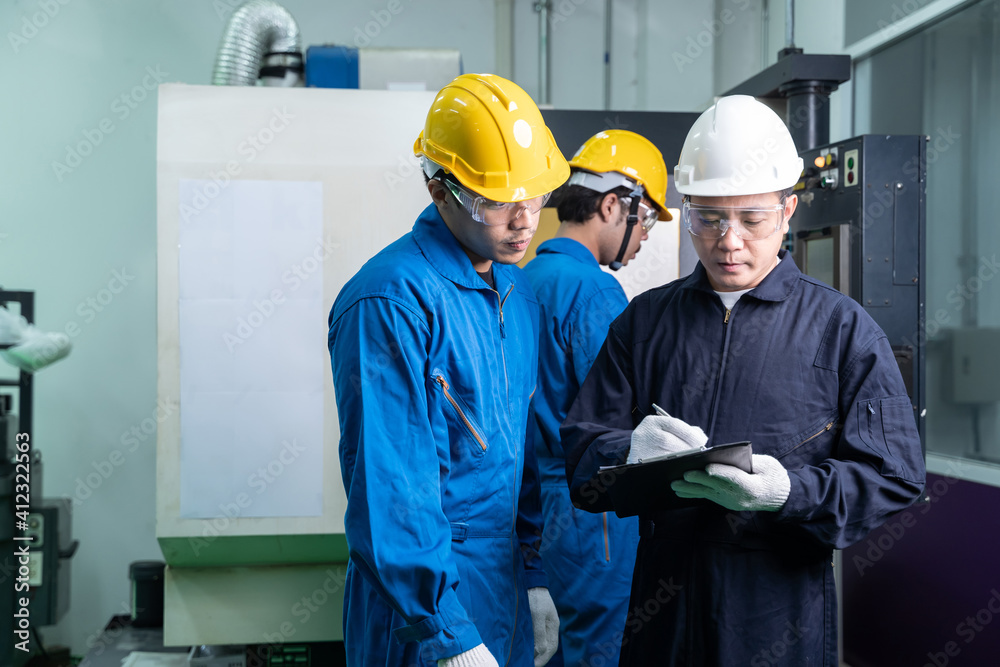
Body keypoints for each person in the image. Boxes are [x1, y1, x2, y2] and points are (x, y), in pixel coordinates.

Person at [561, 95, 926, 665]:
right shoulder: (645, 322)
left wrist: (789, 492)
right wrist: (627, 451)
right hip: (664, 617)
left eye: (751, 219)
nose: (728, 240)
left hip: (777, 618)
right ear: (686, 211)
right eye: (708, 218)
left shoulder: (841, 329)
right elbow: (580, 454)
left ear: (788, 211)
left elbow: (894, 476)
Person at [328, 74, 568, 666]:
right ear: (439, 189)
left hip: (501, 583)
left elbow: (526, 454)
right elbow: (391, 492)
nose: (523, 220)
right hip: (417, 613)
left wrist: (533, 573)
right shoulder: (389, 302)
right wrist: (446, 636)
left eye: (534, 195)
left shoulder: (515, 292)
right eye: (496, 200)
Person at [522, 129, 671, 666]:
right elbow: (624, 411)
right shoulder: (593, 290)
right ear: (612, 205)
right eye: (647, 219)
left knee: (558, 649)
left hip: (533, 510)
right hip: (593, 513)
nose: (646, 237)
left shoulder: (525, 278)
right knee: (601, 652)